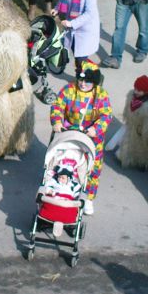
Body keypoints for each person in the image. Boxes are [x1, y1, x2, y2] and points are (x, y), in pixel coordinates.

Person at [49, 61, 112, 216]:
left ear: (94, 82)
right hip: (68, 131)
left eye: (88, 81)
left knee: (93, 167)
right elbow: (57, 106)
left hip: (90, 136)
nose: (83, 84)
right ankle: (54, 186)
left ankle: (88, 198)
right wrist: (57, 121)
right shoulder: (69, 89)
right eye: (81, 80)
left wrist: (95, 129)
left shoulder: (101, 95)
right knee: (59, 158)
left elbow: (106, 115)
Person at [59, 0, 99, 75]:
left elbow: (89, 13)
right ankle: (82, 75)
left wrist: (72, 23)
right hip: (72, 30)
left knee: (81, 59)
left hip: (84, 31)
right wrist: (57, 8)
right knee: (77, 55)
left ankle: (87, 79)